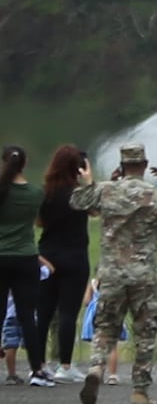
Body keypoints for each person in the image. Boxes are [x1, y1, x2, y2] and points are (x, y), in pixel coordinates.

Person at [73, 144, 157, 404]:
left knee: (105, 327)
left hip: (111, 274)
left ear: (122, 165)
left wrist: (91, 182)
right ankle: (140, 392)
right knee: (145, 333)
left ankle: (96, 368)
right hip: (143, 275)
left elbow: (77, 201)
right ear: (144, 165)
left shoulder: (106, 191)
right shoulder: (156, 195)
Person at [0, 145, 55, 387]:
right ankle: (36, 369)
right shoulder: (35, 193)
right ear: (25, 164)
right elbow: (40, 222)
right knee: (27, 316)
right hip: (26, 257)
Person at [36, 145, 91, 383]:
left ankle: (37, 364)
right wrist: (89, 181)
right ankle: (65, 365)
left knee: (44, 313)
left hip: (47, 255)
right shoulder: (78, 193)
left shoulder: (45, 192)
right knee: (68, 313)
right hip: (75, 255)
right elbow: (96, 209)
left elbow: (39, 223)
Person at [4, 257, 54, 385]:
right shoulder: (30, 274)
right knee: (32, 343)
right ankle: (36, 370)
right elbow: (50, 270)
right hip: (29, 315)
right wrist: (36, 257)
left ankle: (11, 374)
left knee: (10, 345)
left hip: (9, 315)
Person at [79, 277, 124, 384]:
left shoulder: (93, 282)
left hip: (96, 313)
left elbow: (86, 301)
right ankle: (112, 375)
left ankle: (97, 372)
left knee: (98, 343)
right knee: (113, 346)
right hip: (113, 311)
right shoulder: (116, 282)